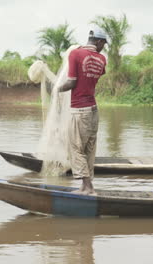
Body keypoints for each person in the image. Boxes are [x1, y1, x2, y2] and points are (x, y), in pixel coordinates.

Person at [56, 27, 108, 195]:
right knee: (89, 148)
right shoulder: (102, 59)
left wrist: (56, 88)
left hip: (80, 109)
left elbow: (71, 82)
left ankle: (87, 187)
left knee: (75, 147)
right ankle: (87, 185)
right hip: (93, 110)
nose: (103, 47)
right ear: (98, 41)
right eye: (103, 44)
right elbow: (92, 77)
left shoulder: (75, 54)